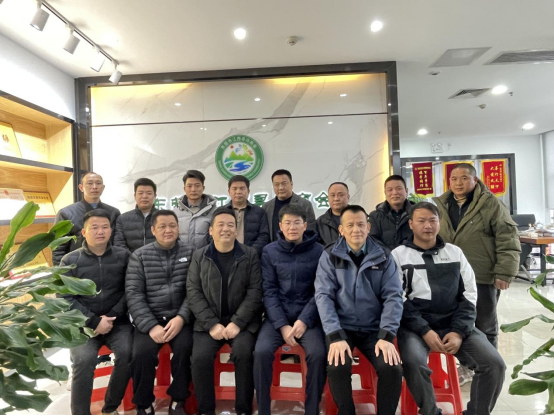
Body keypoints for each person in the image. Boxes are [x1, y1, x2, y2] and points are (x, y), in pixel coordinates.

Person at [392, 202, 506, 415]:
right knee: (414, 363)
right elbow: (398, 299)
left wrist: (458, 331)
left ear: (439, 223)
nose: (428, 226)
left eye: (432, 220)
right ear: (411, 224)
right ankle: (430, 412)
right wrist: (424, 331)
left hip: (454, 322)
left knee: (494, 364)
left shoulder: (454, 253)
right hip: (416, 327)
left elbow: (469, 295)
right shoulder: (398, 255)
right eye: (421, 221)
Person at [315, 205, 404, 415]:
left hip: (374, 329)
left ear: (368, 227)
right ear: (341, 230)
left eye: (361, 224)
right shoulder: (329, 255)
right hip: (342, 327)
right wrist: (335, 336)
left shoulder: (383, 255)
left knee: (391, 367)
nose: (356, 230)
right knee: (337, 365)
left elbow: (393, 296)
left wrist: (386, 335)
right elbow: (323, 296)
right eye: (350, 225)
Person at [433, 163, 520, 350]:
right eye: (454, 179)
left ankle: (489, 363)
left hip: (481, 274)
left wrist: (505, 272)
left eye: (464, 178)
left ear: (475, 180)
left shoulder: (491, 204)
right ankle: (468, 363)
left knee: (485, 324)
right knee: (457, 324)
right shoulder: (442, 205)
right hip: (450, 276)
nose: (458, 183)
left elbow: (507, 237)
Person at [187, 208, 263, 416]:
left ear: (236, 230)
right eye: (220, 225)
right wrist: (212, 324)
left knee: (244, 354)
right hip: (208, 324)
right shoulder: (199, 256)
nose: (226, 229)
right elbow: (193, 292)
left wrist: (238, 322)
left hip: (242, 323)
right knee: (200, 358)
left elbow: (255, 292)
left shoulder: (249, 255)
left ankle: (243, 409)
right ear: (211, 230)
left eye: (230, 225)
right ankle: (205, 410)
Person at [254, 204, 326, 416]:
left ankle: (311, 410)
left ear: (305, 225)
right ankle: (263, 410)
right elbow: (269, 291)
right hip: (278, 318)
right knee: (261, 352)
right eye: (288, 223)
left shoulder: (319, 251)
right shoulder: (270, 251)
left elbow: (320, 291)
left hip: (308, 318)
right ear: (280, 226)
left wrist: (304, 320)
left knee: (318, 355)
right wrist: (282, 325)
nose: (292, 227)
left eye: (297, 222)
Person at [60, 209, 132, 416]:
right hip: (82, 325)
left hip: (117, 322)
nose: (100, 231)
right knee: (83, 360)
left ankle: (110, 407)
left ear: (111, 230)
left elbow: (131, 289)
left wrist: (111, 317)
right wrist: (93, 321)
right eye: (94, 227)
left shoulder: (124, 256)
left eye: (105, 227)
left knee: (129, 353)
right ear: (84, 232)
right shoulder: (69, 260)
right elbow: (65, 297)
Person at [126, 210, 195, 416]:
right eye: (162, 226)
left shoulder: (192, 253)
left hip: (180, 319)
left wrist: (181, 317)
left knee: (186, 350)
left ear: (178, 228)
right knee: (141, 354)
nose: (168, 230)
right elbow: (134, 294)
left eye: (172, 225)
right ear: (153, 230)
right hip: (150, 320)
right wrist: (150, 325)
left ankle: (178, 399)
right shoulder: (139, 256)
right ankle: (144, 403)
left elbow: (195, 291)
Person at [53, 172, 120, 265]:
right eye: (90, 183)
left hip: (108, 264)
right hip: (77, 266)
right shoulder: (66, 213)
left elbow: (117, 243)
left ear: (103, 187)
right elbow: (58, 248)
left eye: (98, 183)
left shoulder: (113, 212)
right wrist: (62, 271)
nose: (94, 187)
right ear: (81, 187)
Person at [222, 175, 270, 256]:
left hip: (252, 257)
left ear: (248, 191)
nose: (238, 192)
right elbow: (214, 234)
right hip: (226, 256)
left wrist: (251, 253)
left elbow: (264, 236)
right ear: (229, 191)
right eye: (234, 188)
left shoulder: (259, 211)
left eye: (242, 188)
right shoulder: (221, 212)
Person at [263, 169, 316, 242]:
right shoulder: (266, 207)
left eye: (284, 183)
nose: (281, 188)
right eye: (276, 184)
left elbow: (310, 232)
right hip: (274, 248)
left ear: (291, 184)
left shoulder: (305, 205)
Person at [173, 169, 218, 249]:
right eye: (189, 186)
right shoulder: (176, 212)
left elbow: (215, 238)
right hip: (182, 255)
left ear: (203, 188)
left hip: (205, 254)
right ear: (184, 189)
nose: (193, 189)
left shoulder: (213, 211)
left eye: (197, 185)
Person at [368, 175, 414, 251]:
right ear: (385, 193)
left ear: (406, 191)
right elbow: (373, 240)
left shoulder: (416, 213)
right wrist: (390, 254)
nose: (395, 192)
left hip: (411, 256)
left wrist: (404, 253)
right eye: (390, 190)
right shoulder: (374, 216)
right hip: (384, 256)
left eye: (399, 189)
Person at [114, 178, 158, 252]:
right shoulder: (122, 219)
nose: (144, 196)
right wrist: (134, 258)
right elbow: (119, 245)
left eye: (149, 193)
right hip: (131, 259)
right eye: (140, 193)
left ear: (155, 196)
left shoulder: (163, 217)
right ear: (135, 196)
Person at [316, 182, 350, 247]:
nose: (336, 199)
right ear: (328, 198)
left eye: (340, 195)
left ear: (348, 197)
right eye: (332, 195)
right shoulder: (320, 222)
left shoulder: (359, 218)